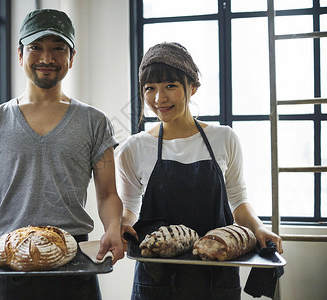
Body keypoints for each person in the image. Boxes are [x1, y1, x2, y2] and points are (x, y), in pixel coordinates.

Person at [0, 8, 124, 300]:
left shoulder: (95, 122)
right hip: (10, 261)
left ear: (72, 57)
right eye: (35, 47)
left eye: (58, 49)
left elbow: (107, 194)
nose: (46, 58)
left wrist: (113, 228)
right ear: (20, 54)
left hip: (75, 262)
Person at [116, 42, 283, 300]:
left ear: (192, 87)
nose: (159, 98)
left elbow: (238, 200)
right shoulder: (134, 148)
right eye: (150, 88)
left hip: (216, 277)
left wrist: (259, 229)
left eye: (170, 86)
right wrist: (123, 226)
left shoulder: (223, 138)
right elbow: (130, 207)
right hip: (156, 279)